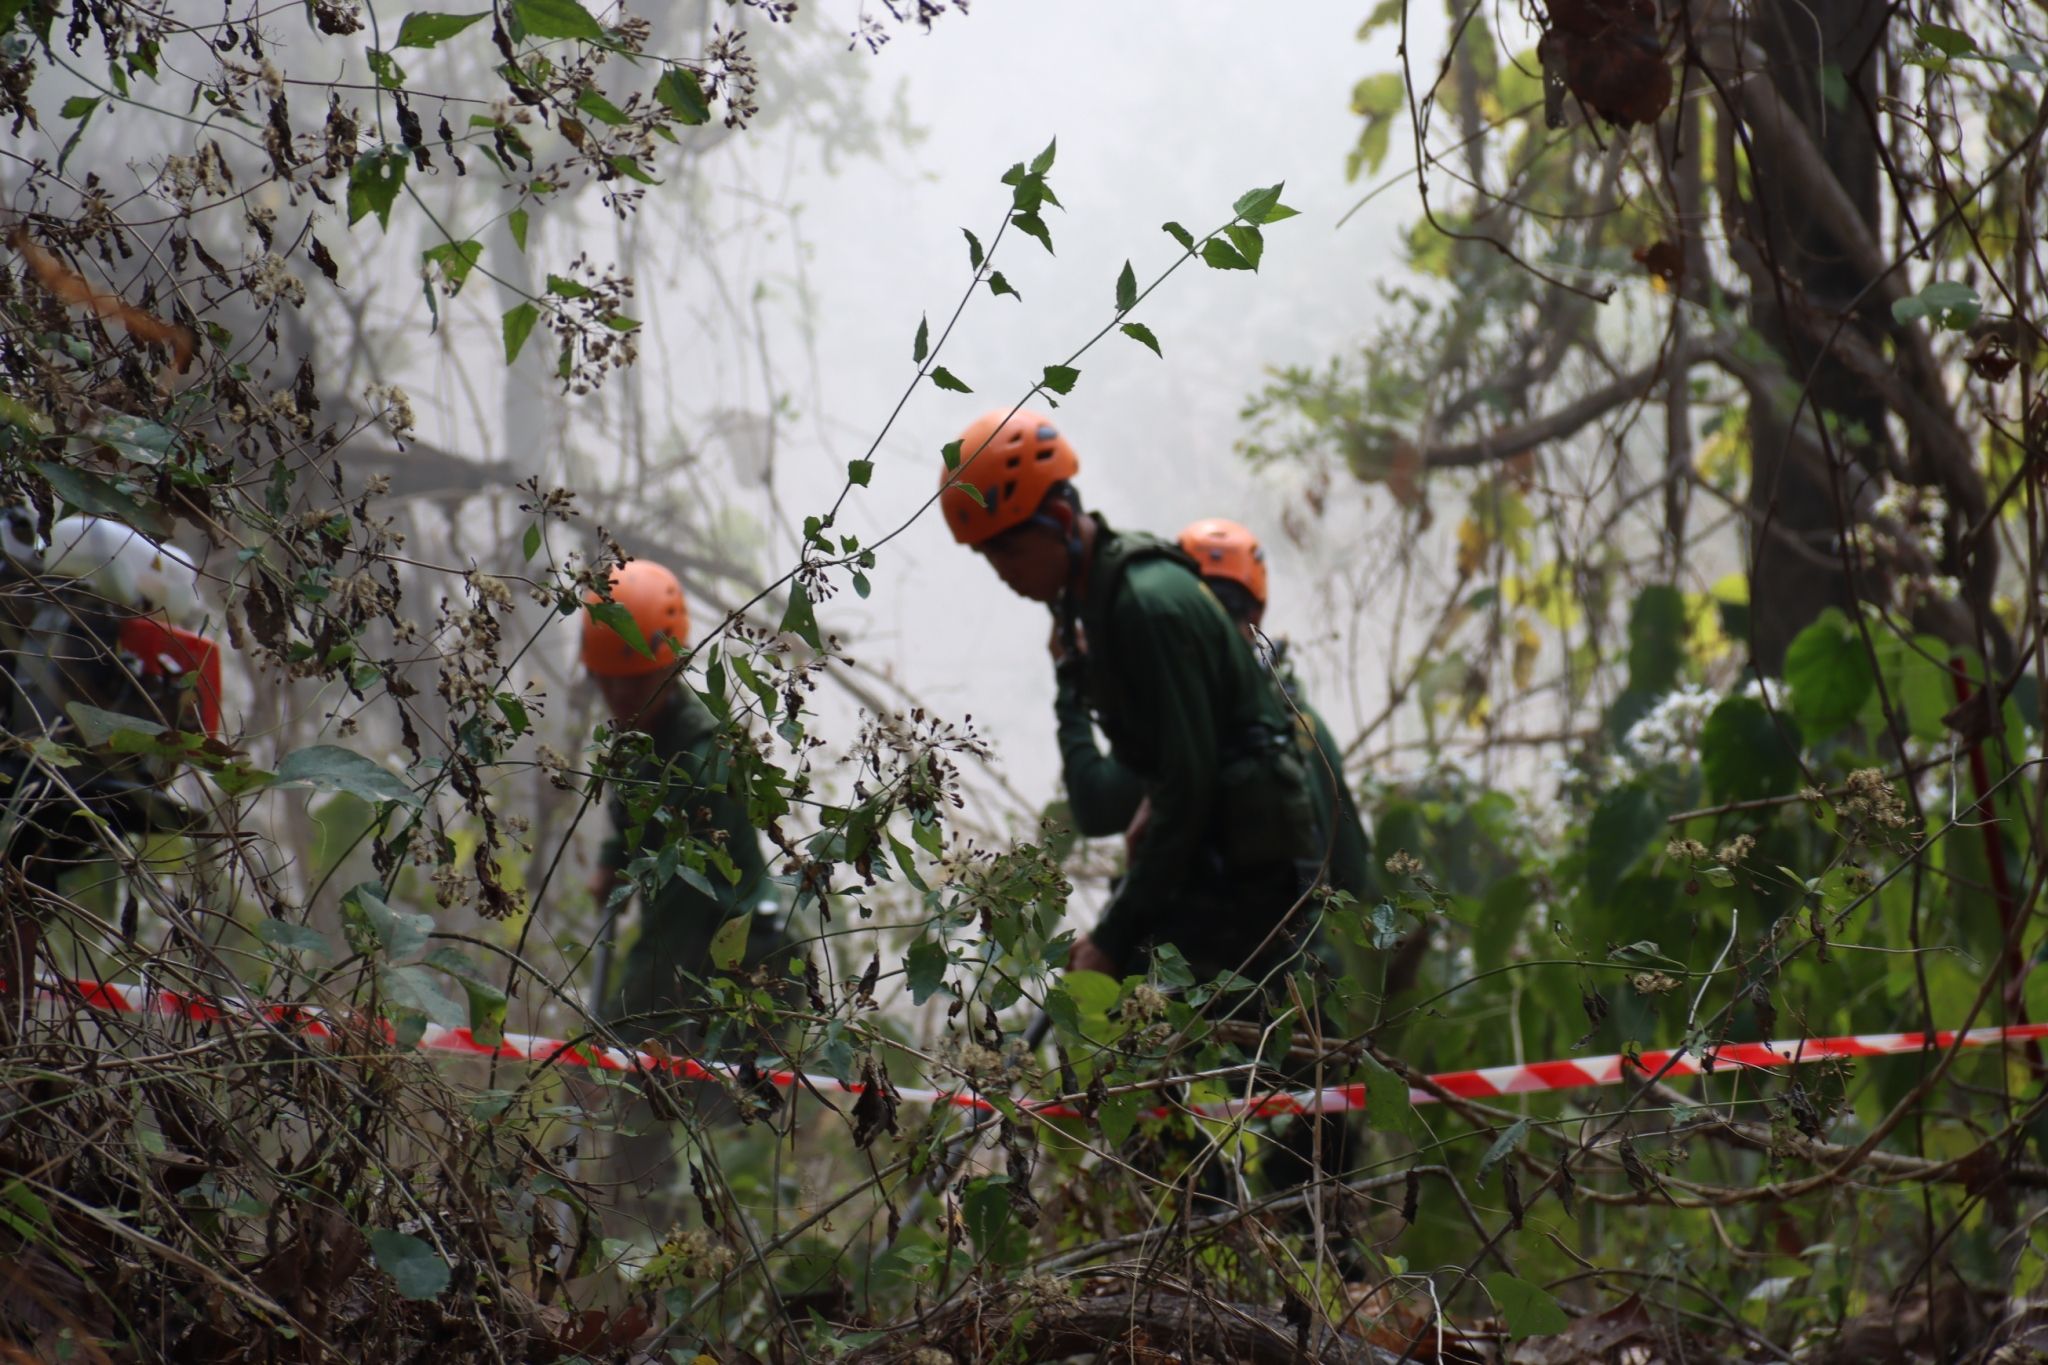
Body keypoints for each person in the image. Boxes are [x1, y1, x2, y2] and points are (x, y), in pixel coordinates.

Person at [939, 409, 1323, 984]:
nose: (1001, 573)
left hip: (1246, 883)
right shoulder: (1101, 597)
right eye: (987, 557)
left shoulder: (1143, 606)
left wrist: (1113, 937)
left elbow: (1188, 790)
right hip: (1220, 865)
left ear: (1059, 520)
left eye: (1008, 552)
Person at [582, 559, 788, 1049]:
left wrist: (611, 1040)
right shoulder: (643, 735)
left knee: (655, 1084)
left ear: (672, 668)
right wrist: (614, 859)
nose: (619, 698)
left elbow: (671, 941)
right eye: (607, 681)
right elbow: (633, 814)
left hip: (741, 970)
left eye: (634, 682)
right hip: (689, 950)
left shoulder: (701, 770)